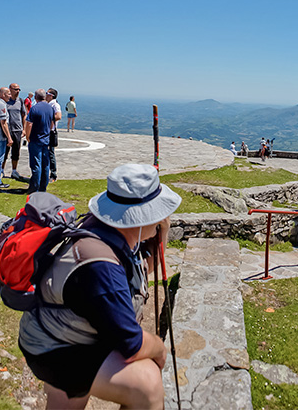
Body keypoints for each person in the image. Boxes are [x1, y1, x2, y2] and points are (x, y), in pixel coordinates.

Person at [18, 163, 179, 409]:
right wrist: (159, 348)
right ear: (139, 216)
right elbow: (132, 346)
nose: (161, 219)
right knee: (148, 384)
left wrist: (163, 232)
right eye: (157, 213)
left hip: (57, 332)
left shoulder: (108, 230)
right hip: (56, 348)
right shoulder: (101, 266)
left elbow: (142, 269)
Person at [24, 89, 54, 192]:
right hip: (46, 140)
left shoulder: (34, 108)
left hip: (35, 139)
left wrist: (27, 137)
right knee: (45, 165)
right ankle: (43, 188)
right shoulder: (50, 108)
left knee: (36, 165)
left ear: (35, 97)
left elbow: (29, 124)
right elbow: (52, 124)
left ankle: (34, 188)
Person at [4, 84, 27, 181]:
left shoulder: (20, 101)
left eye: (19, 90)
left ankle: (14, 170)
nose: (17, 91)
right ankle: (1, 170)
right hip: (7, 130)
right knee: (4, 152)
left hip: (17, 130)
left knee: (16, 152)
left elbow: (24, 115)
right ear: (10, 90)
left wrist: (24, 129)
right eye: (15, 89)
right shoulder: (5, 101)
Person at [46, 88, 63, 182]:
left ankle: (53, 174)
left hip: (50, 132)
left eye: (47, 93)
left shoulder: (55, 105)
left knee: (51, 153)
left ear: (51, 95)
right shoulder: (48, 104)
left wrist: (47, 117)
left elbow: (58, 116)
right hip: (46, 132)